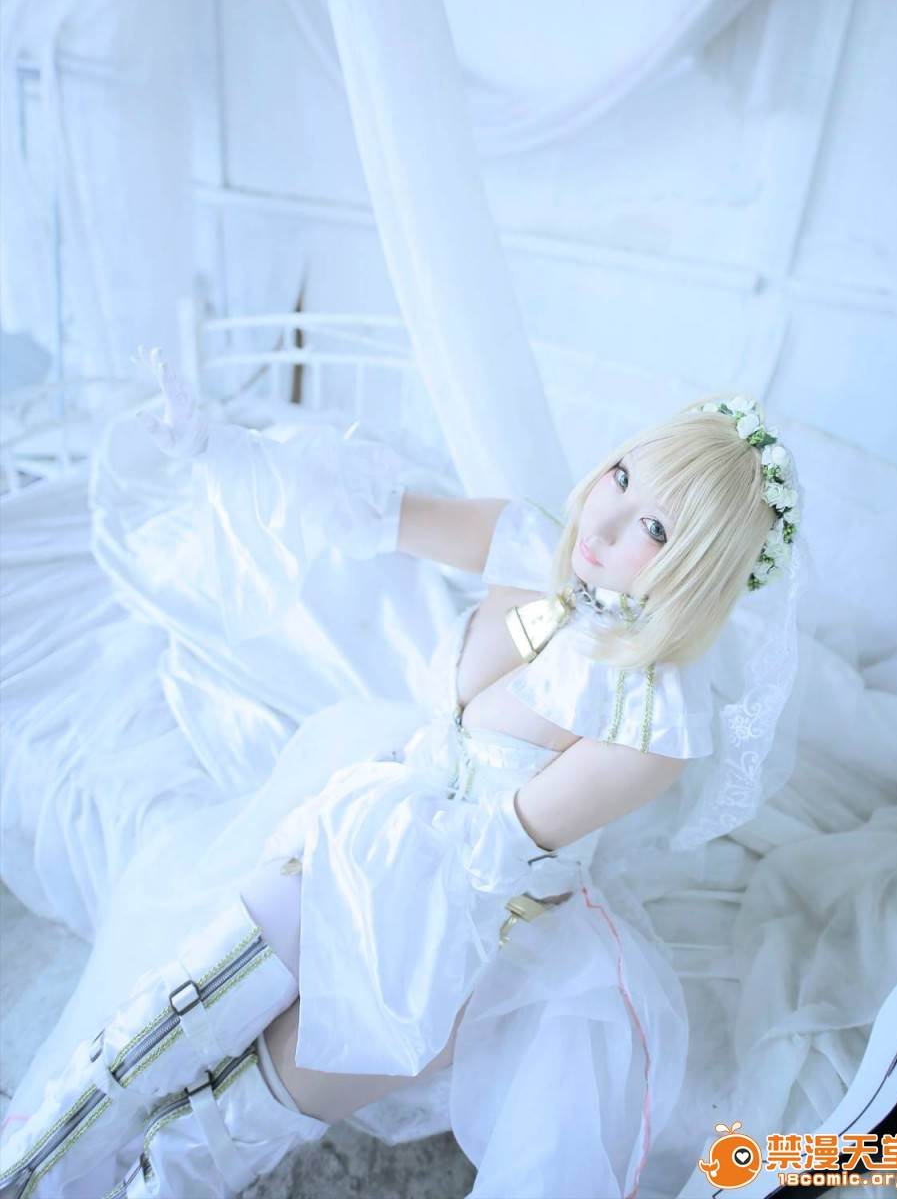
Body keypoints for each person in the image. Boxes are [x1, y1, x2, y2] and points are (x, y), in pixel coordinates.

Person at [0, 351, 805, 1199]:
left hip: (453, 934)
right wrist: (221, 447)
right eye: (623, 476)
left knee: (217, 1134)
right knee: (149, 1036)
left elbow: (491, 851)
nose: (604, 524)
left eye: (656, 529)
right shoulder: (535, 545)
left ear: (701, 569)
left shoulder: (652, 719)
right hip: (371, 827)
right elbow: (366, 509)